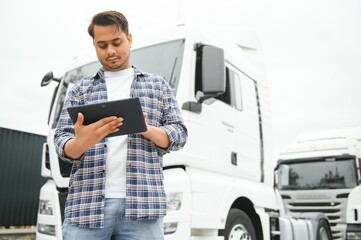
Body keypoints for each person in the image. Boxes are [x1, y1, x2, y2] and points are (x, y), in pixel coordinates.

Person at [54, 10, 188, 240]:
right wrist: (79, 144)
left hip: (143, 206)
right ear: (95, 45)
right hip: (86, 206)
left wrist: (145, 128)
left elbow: (179, 134)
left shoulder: (158, 86)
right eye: (102, 45)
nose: (111, 51)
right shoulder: (80, 90)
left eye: (116, 42)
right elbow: (61, 141)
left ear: (130, 39)